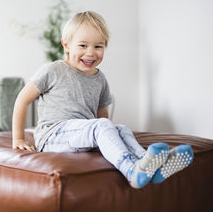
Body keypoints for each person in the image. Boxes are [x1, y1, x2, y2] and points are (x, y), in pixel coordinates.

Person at [12, 11, 194, 189]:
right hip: (52, 137)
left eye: (98, 47)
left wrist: (108, 134)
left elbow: (102, 113)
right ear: (66, 46)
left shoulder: (100, 79)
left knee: (120, 128)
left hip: (81, 136)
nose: (90, 53)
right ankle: (131, 171)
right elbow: (22, 100)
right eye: (83, 46)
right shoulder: (52, 70)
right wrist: (18, 138)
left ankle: (148, 164)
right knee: (101, 125)